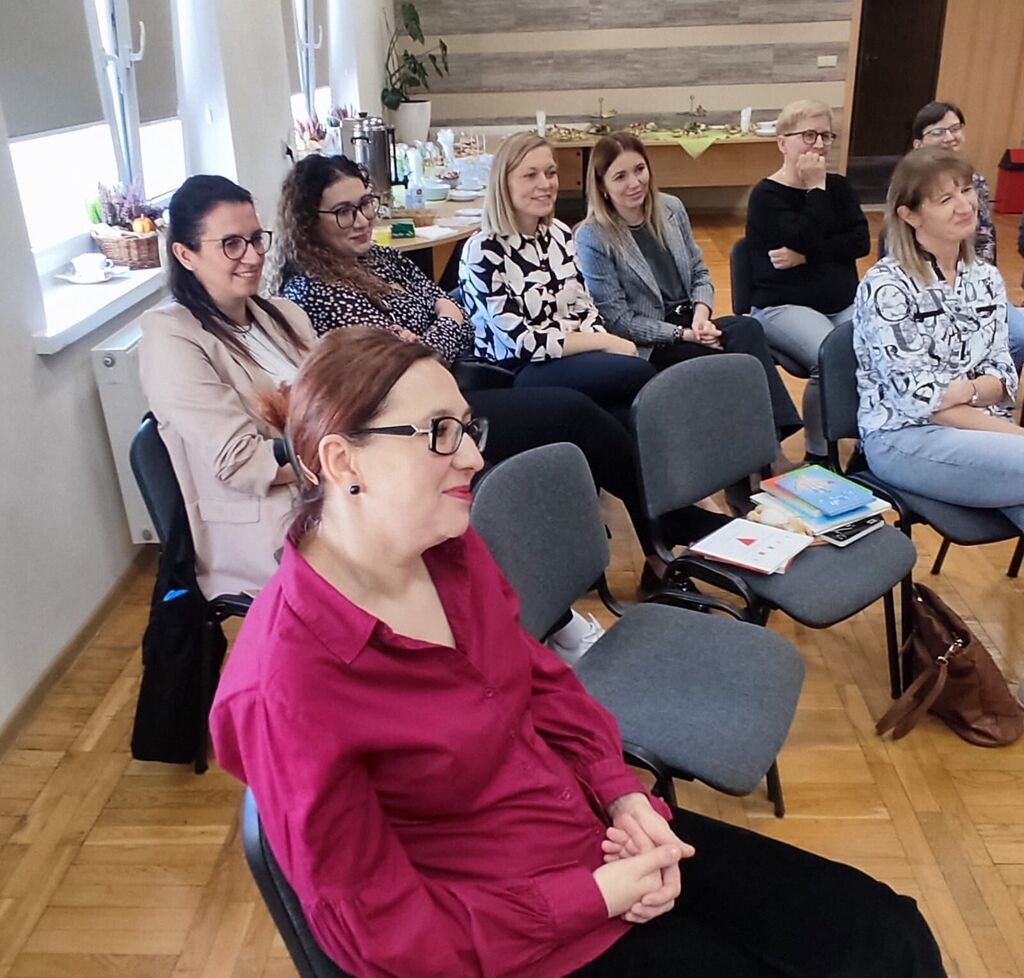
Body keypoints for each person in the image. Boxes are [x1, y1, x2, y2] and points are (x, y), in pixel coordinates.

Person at [210, 325, 946, 978]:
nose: (470, 457)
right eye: (437, 432)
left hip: (589, 836)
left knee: (887, 935)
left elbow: (539, 683)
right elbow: (382, 935)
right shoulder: (286, 686)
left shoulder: (447, 551)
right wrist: (591, 896)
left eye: (468, 427)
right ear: (343, 462)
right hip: (515, 936)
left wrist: (623, 794)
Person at [270, 153, 720, 604]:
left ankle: (661, 555)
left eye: (365, 204)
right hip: (418, 424)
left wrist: (428, 335)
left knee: (613, 406)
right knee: (573, 410)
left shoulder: (383, 259)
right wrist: (434, 331)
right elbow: (395, 370)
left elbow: (457, 316)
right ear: (309, 221)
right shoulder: (313, 291)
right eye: (343, 211)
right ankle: (673, 521)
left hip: (466, 383)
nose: (360, 220)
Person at [138, 175, 315, 598]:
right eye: (231, 244)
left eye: (256, 239)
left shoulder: (282, 314)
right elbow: (241, 462)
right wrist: (339, 457)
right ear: (185, 254)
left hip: (319, 488)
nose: (252, 256)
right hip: (264, 519)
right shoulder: (171, 337)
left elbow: (334, 393)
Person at [576, 131, 803, 447]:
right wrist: (681, 334)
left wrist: (701, 315)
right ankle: (756, 461)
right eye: (620, 176)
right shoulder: (592, 236)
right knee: (726, 365)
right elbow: (619, 321)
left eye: (640, 169)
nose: (634, 183)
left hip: (692, 322)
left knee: (747, 329)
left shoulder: (671, 208)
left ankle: (767, 447)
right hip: (651, 342)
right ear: (602, 186)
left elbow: (699, 273)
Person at [854, 147, 1024, 532]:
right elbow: (921, 402)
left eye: (966, 190)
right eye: (945, 199)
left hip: (982, 429)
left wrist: (966, 391)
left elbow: (1004, 375)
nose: (965, 205)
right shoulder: (887, 287)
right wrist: (1012, 431)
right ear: (909, 215)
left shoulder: (984, 278)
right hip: (903, 438)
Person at [459, 132, 656, 424]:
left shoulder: (560, 234)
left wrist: (602, 340)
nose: (545, 184)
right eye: (530, 175)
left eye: (551, 173)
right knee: (637, 373)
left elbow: (584, 307)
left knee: (622, 408)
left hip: (569, 356)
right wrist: (604, 344)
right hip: (519, 369)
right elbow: (523, 343)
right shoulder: (484, 250)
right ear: (504, 183)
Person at [746, 99, 870, 462]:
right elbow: (802, 234)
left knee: (877, 351)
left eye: (826, 136)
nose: (819, 145)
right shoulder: (766, 196)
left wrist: (806, 256)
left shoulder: (841, 188)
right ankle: (819, 454)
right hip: (783, 305)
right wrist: (815, 189)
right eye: (809, 135)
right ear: (783, 142)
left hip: (841, 301)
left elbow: (859, 242)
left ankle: (869, 443)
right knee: (828, 357)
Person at [911, 99, 1024, 374]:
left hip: (971, 281)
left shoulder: (976, 180)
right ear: (918, 143)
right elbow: (901, 249)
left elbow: (984, 240)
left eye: (955, 128)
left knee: (1018, 336)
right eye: (938, 132)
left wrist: (974, 284)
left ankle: (996, 397)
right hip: (926, 285)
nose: (949, 137)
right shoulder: (908, 186)